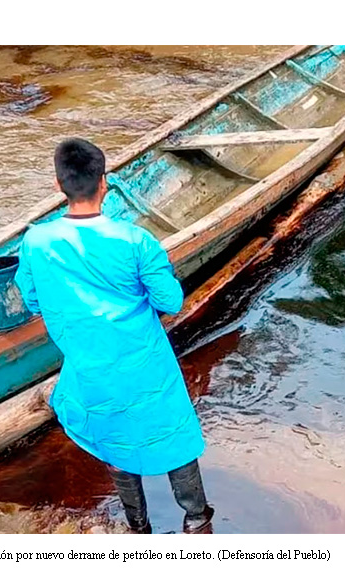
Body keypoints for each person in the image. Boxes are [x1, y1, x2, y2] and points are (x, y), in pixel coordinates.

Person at [15, 137, 214, 534]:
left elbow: (33, 299)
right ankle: (196, 519)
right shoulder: (134, 240)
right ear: (103, 182)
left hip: (88, 362)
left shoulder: (35, 241)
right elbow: (170, 299)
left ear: (58, 185)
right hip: (143, 356)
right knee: (171, 430)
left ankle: (138, 526)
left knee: (113, 434)